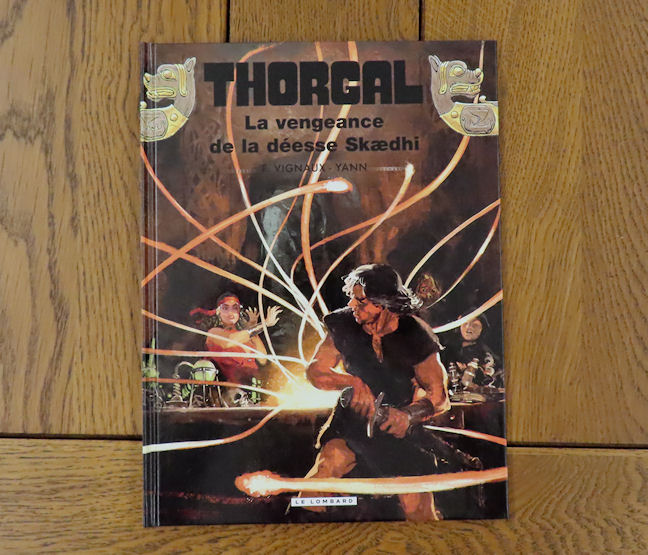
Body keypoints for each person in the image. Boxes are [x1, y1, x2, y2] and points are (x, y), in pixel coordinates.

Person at [303, 264, 450, 520]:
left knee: (417, 506)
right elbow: (315, 371)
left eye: (361, 301)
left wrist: (409, 415)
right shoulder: (343, 325)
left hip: (397, 430)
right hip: (352, 424)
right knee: (322, 476)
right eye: (353, 298)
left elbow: (439, 397)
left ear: (384, 304)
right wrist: (352, 382)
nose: (352, 305)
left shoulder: (416, 336)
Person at [191, 293, 281, 404]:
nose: (230, 312)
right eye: (225, 308)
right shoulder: (214, 332)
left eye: (235, 308)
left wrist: (252, 327)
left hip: (251, 394)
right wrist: (263, 325)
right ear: (218, 312)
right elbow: (229, 341)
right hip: (225, 396)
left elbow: (262, 359)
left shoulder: (245, 336)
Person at [442, 315, 503, 389]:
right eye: (465, 323)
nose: (468, 327)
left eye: (475, 324)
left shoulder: (486, 355)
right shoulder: (448, 351)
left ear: (482, 328)